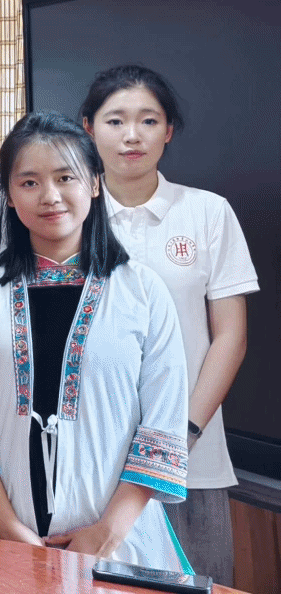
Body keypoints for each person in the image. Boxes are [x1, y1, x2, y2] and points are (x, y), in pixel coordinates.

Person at [0, 112, 189, 572]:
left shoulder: (143, 291)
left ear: (94, 183)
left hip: (117, 538)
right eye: (29, 182)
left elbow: (163, 422)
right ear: (9, 195)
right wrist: (8, 529)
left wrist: (107, 532)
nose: (49, 196)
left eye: (65, 177)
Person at [82, 65, 256, 584]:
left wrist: (183, 435)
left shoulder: (207, 212)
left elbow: (230, 336)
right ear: (89, 128)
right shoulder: (67, 214)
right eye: (115, 120)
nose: (132, 135)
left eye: (148, 120)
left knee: (198, 581)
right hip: (91, 460)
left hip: (190, 459)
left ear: (169, 130)